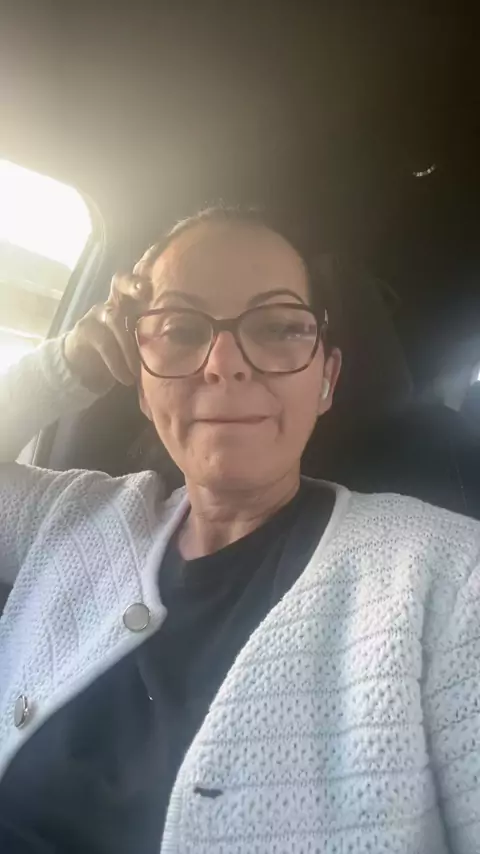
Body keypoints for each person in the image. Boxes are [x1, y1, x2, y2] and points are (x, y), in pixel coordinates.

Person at [0, 206, 479, 854]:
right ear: (142, 389)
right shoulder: (70, 516)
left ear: (327, 380)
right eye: (180, 329)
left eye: (278, 327)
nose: (224, 364)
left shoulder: (450, 578)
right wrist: (70, 363)